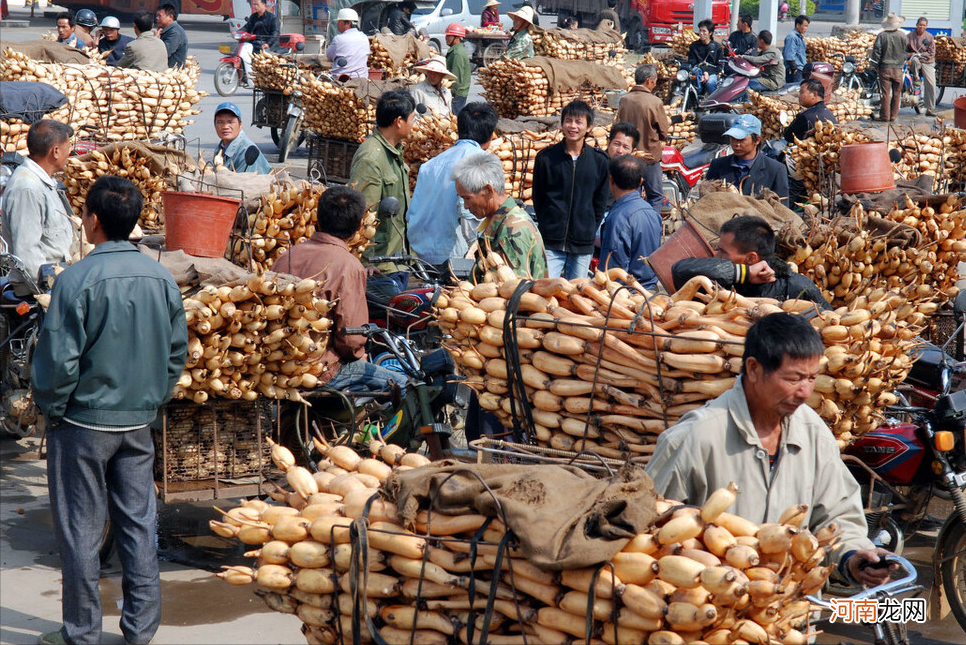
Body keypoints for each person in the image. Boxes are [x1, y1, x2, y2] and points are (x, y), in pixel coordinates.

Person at [32, 175, 188, 645]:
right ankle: (140, 631)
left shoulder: (76, 280)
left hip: (82, 424)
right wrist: (152, 399)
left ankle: (82, 633)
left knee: (81, 532)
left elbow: (57, 363)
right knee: (138, 525)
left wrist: (53, 409)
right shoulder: (162, 277)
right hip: (138, 422)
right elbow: (175, 354)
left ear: (92, 221)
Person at [646, 313, 894, 590]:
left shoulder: (813, 432)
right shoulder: (694, 438)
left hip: (788, 616)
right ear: (753, 369)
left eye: (812, 378)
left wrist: (852, 557)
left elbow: (838, 514)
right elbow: (651, 531)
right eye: (794, 378)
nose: (804, 391)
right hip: (709, 618)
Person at [273, 187, 407, 392]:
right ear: (360, 226)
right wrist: (358, 354)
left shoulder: (289, 254)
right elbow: (351, 340)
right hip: (320, 370)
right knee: (408, 386)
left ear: (318, 218)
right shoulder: (349, 266)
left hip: (277, 364)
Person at [407, 102, 499, 272]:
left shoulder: (430, 165)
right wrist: (477, 253)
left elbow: (413, 210)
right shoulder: (479, 162)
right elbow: (469, 218)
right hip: (454, 259)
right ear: (490, 135)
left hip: (420, 255)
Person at [671, 215, 831, 308]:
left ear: (751, 258)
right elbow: (679, 271)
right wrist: (743, 273)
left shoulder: (797, 287)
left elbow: (829, 321)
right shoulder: (720, 279)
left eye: (723, 251)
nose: (716, 255)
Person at [532, 100, 609, 279]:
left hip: (582, 244)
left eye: (578, 122)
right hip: (551, 242)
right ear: (562, 124)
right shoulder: (546, 158)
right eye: (568, 121)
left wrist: (588, 229)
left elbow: (600, 202)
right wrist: (548, 225)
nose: (572, 126)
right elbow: (539, 198)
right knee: (545, 292)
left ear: (588, 127)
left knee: (576, 296)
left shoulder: (599, 162)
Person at [0, 120, 75, 297]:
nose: (70, 153)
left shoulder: (44, 182)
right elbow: (28, 252)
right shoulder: (27, 188)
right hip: (41, 293)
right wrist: (47, 295)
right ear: (55, 151)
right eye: (68, 147)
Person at [349, 90, 416, 285]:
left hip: (398, 260)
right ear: (398, 122)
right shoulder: (371, 158)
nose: (414, 124)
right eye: (412, 119)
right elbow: (363, 213)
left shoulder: (393, 151)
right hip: (379, 268)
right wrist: (366, 260)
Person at [453, 152, 547, 279]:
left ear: (488, 190)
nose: (465, 206)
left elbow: (512, 291)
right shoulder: (498, 221)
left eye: (467, 198)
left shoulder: (512, 231)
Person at [599, 155, 661, 289]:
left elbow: (613, 269)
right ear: (641, 182)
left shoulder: (618, 218)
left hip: (626, 295)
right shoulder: (652, 213)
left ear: (611, 180)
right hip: (650, 290)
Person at [616, 64, 670, 214]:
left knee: (632, 196)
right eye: (655, 81)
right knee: (656, 196)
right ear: (649, 81)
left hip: (629, 157)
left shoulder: (624, 100)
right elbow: (664, 132)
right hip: (649, 158)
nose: (655, 83)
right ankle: (652, 228)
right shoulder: (654, 102)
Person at [704, 114, 788, 200]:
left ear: (757, 140)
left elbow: (781, 209)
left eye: (741, 139)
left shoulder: (776, 170)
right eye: (733, 138)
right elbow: (706, 202)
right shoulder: (718, 165)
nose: (736, 144)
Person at [212, 102, 272, 174]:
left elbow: (244, 181)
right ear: (215, 125)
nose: (225, 127)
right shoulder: (221, 148)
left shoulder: (246, 150)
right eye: (220, 122)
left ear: (240, 125)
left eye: (230, 122)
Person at [873, 13, 907, 121]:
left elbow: (876, 52)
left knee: (886, 93)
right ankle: (893, 116)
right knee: (897, 93)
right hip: (898, 69)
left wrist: (875, 65)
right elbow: (905, 50)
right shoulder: (902, 35)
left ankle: (885, 116)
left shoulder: (881, 36)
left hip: (885, 68)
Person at [784, 78, 837, 143]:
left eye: (802, 92)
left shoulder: (805, 116)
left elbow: (788, 136)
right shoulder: (829, 113)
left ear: (814, 95)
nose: (799, 96)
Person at [240, 0, 280, 84]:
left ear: (264, 5)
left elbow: (275, 33)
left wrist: (268, 44)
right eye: (254, 5)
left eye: (257, 5)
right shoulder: (253, 17)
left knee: (261, 63)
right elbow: (247, 27)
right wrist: (238, 32)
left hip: (266, 43)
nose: (255, 7)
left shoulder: (272, 18)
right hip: (254, 42)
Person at [326, 8, 370, 79]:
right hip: (362, 78)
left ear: (348, 23)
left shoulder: (338, 39)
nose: (337, 25)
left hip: (341, 80)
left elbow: (329, 56)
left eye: (339, 22)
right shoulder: (364, 37)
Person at [908, 16, 937, 116]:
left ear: (926, 27)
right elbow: (905, 50)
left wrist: (923, 56)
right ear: (916, 25)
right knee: (914, 61)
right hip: (914, 60)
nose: (921, 27)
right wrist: (910, 54)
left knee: (931, 83)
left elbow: (932, 52)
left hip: (926, 61)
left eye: (923, 25)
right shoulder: (910, 36)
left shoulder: (929, 37)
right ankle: (916, 78)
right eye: (920, 25)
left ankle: (929, 108)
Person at [687, 19, 724, 95]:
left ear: (710, 33)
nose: (701, 33)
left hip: (712, 72)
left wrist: (707, 73)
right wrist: (703, 73)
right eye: (700, 31)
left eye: (704, 31)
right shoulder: (694, 46)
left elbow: (719, 66)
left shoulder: (717, 47)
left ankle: (713, 102)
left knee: (710, 83)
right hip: (698, 71)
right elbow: (692, 62)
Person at [445, 24, 471, 114]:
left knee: (454, 119)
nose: (446, 38)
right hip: (457, 93)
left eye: (449, 36)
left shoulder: (457, 53)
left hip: (457, 94)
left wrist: (450, 94)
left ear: (457, 38)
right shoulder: (455, 51)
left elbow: (456, 78)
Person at [155, 3, 188, 68]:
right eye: (157, 16)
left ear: (170, 17)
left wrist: (156, 39)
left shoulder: (175, 32)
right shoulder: (165, 30)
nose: (156, 18)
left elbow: (164, 53)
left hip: (173, 72)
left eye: (160, 16)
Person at [783, 15, 808, 84]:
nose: (806, 28)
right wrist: (794, 68)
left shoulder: (799, 37)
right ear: (798, 25)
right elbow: (789, 54)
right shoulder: (792, 37)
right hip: (795, 70)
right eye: (805, 26)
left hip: (800, 69)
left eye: (807, 26)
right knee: (794, 90)